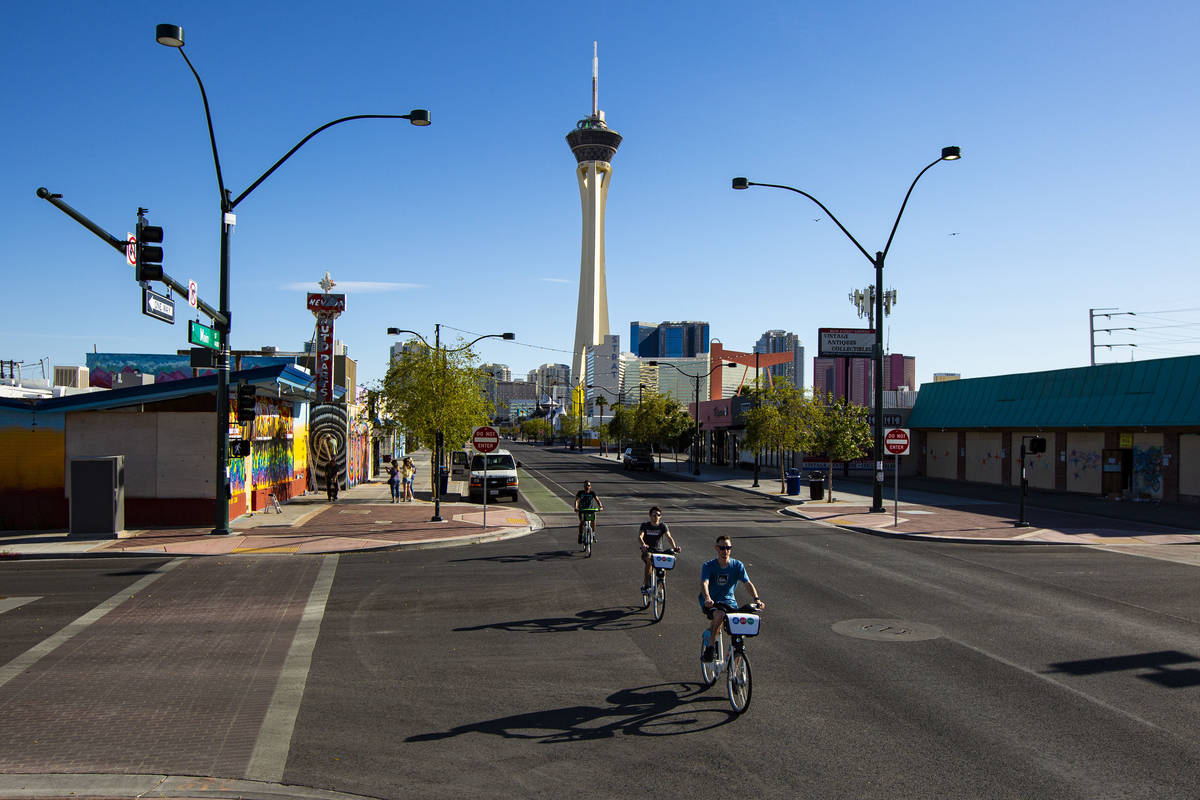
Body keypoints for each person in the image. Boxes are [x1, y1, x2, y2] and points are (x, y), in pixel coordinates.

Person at [698, 535, 764, 661]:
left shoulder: (737, 565)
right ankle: (710, 648)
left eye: (728, 548)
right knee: (719, 615)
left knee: (739, 636)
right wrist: (707, 598)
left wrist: (757, 599)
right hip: (712, 602)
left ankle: (735, 671)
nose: (725, 551)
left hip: (730, 603)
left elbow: (747, 583)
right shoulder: (708, 566)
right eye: (722, 548)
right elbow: (704, 583)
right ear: (716, 548)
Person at [638, 506, 680, 594]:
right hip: (648, 550)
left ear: (660, 516)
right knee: (649, 560)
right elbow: (640, 536)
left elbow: (669, 537)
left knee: (663, 569)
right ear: (650, 515)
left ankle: (659, 588)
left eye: (658, 515)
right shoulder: (645, 525)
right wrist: (643, 545)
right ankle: (646, 585)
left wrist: (675, 547)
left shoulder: (662, 526)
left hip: (659, 551)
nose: (656, 516)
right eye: (654, 515)